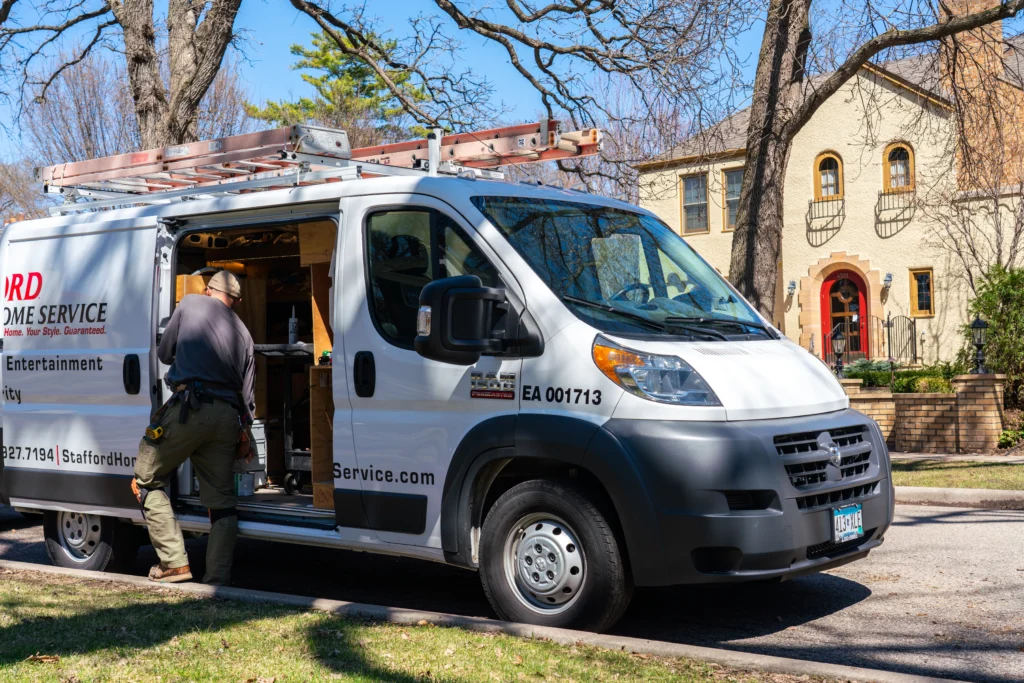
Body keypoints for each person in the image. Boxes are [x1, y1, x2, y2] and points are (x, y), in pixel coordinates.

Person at [132, 270, 256, 585]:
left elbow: (164, 353)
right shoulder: (244, 334)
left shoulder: (189, 303)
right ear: (237, 302)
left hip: (190, 408)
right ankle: (217, 579)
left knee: (146, 480)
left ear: (207, 290)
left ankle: (174, 564)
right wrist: (246, 437)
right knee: (223, 505)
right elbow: (249, 400)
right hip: (227, 418)